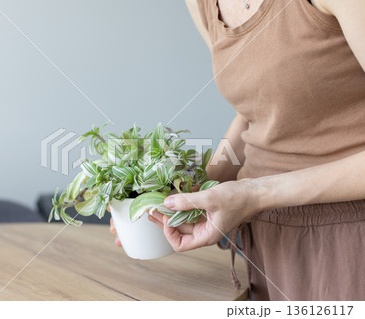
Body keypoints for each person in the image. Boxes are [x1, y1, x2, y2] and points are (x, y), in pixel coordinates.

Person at [111, 0, 365, 301]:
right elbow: (259, 114)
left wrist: (253, 193)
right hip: (269, 238)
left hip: (349, 232)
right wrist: (185, 198)